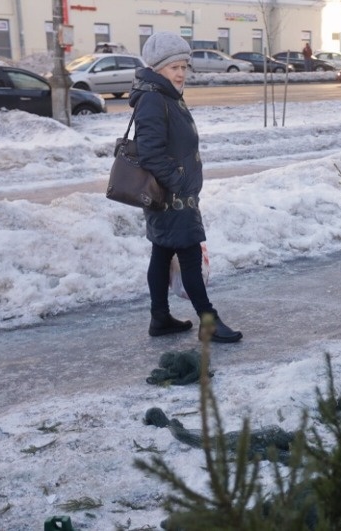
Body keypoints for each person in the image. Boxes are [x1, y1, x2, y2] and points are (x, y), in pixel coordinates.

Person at [130, 31, 243, 343]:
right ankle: (209, 322)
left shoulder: (163, 95)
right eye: (173, 67)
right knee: (190, 259)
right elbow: (152, 153)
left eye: (184, 66)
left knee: (162, 253)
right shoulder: (154, 99)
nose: (180, 73)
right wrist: (181, 185)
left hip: (167, 196)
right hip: (173, 197)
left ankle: (160, 318)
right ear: (157, 68)